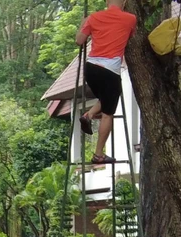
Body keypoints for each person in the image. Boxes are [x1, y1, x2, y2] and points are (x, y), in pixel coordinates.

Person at [75, 0, 137, 164]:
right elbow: (130, 36)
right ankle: (98, 154)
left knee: (107, 98)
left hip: (91, 69)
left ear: (106, 1)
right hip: (110, 70)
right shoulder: (130, 19)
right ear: (124, 1)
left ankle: (88, 115)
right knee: (108, 113)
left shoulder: (93, 18)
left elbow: (79, 41)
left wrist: (83, 24)